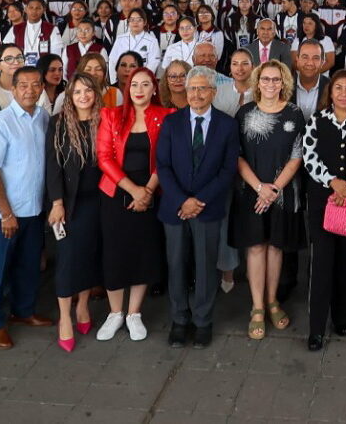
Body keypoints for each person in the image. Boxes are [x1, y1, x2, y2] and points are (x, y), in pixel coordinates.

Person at [157, 66, 240, 349]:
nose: (196, 94)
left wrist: (198, 201)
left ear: (213, 92)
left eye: (203, 88)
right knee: (176, 264)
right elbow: (163, 167)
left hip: (208, 207)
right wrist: (183, 200)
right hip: (175, 208)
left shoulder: (227, 125)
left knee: (206, 268)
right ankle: (180, 320)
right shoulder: (172, 123)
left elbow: (228, 171)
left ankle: (203, 321)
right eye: (192, 88)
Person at [0, 65, 53, 349]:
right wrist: (6, 213)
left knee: (29, 265)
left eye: (36, 85)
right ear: (13, 88)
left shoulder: (43, 118)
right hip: (6, 214)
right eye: (24, 85)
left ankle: (24, 311)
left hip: (34, 209)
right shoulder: (2, 121)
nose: (30, 90)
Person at [95, 67, 173, 342]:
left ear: (154, 89)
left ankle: (134, 313)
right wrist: (132, 190)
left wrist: (147, 192)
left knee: (143, 252)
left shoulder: (167, 116)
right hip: (116, 191)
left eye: (145, 84)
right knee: (115, 251)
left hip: (151, 192)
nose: (139, 90)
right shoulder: (111, 115)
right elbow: (104, 158)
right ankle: (115, 313)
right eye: (134, 85)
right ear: (127, 89)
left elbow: (165, 158)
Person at [230, 60, 306, 340]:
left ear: (283, 82)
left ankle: (273, 300)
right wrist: (260, 187)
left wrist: (273, 188)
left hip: (282, 194)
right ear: (257, 82)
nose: (271, 84)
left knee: (276, 248)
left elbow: (297, 155)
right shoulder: (244, 113)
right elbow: (237, 156)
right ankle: (257, 307)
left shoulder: (295, 114)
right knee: (255, 248)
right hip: (251, 191)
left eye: (276, 80)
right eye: (266, 79)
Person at [301, 69, 346, 351]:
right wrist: (333, 182)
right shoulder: (316, 121)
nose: (343, 93)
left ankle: (342, 317)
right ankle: (316, 327)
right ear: (329, 93)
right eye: (338, 88)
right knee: (321, 263)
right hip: (323, 200)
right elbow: (309, 155)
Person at [45, 73, 104, 352]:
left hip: (98, 202)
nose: (83, 96)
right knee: (68, 258)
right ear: (70, 95)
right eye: (77, 91)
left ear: (96, 93)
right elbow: (52, 167)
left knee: (89, 256)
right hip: (68, 204)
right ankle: (64, 317)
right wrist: (57, 203)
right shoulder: (57, 124)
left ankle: (82, 305)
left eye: (88, 91)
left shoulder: (105, 120)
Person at [0, 43, 52, 110]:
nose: (16, 62)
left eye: (19, 57)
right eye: (9, 59)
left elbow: (47, 119)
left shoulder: (36, 89)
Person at [108, 8, 162, 83]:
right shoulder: (120, 39)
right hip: (121, 81)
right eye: (132, 20)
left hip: (142, 81)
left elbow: (153, 63)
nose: (135, 23)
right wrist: (115, 81)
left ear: (145, 22)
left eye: (139, 20)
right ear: (128, 22)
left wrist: (142, 80)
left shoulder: (152, 41)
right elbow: (112, 61)